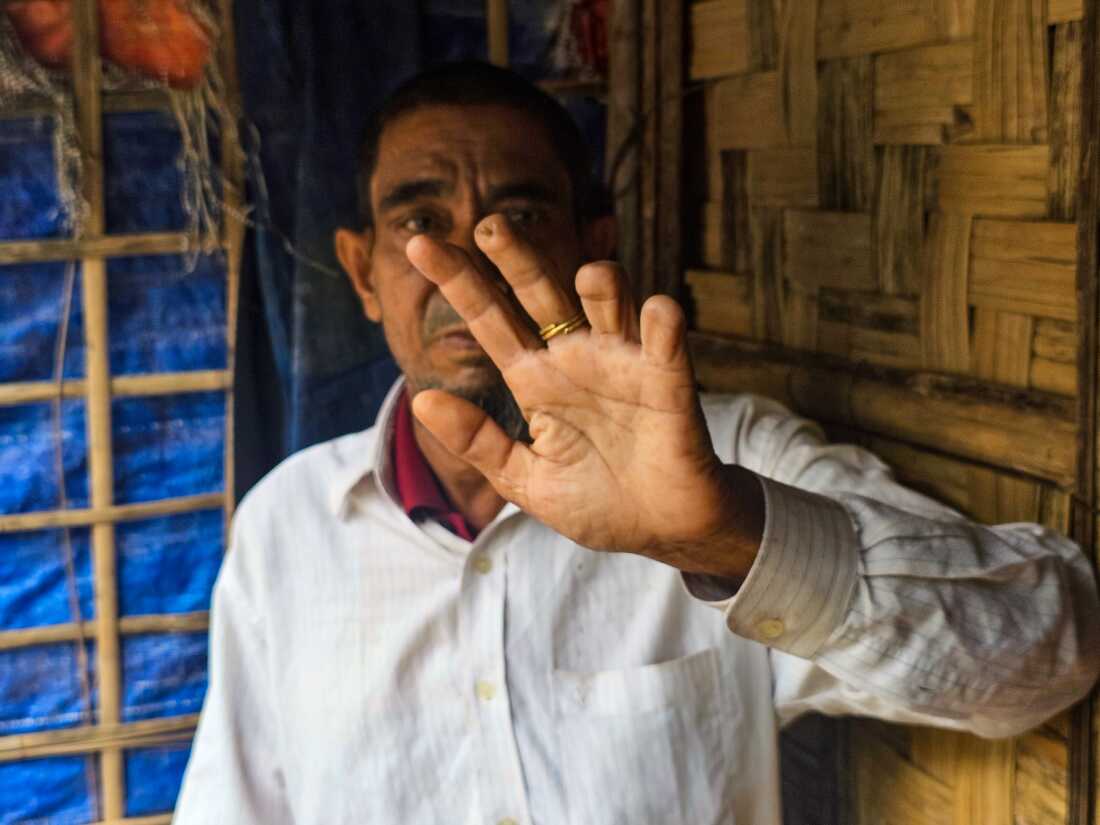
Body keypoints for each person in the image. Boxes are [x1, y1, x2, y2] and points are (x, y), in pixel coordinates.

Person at [172, 62, 1100, 825]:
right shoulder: (286, 526)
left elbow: (1050, 654)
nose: (469, 262)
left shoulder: (725, 458)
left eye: (520, 217)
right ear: (362, 272)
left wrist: (730, 539)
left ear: (593, 240)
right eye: (420, 223)